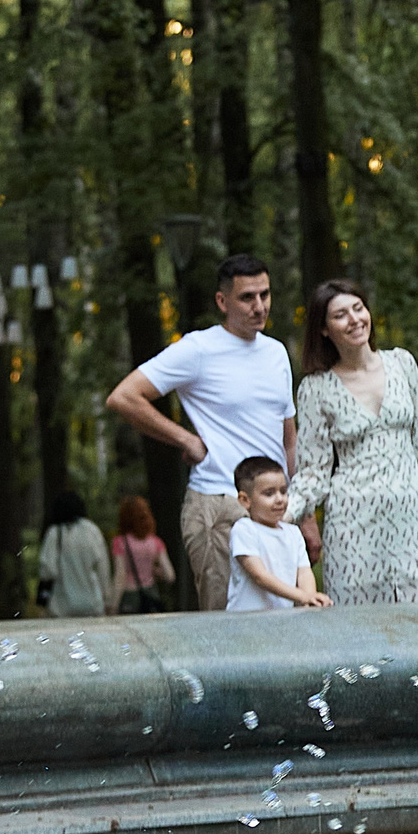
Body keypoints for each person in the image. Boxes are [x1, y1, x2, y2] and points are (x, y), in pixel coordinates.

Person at [103, 253, 299, 612]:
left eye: (265, 295)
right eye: (247, 297)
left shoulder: (276, 352)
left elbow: (288, 438)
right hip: (219, 500)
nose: (259, 306)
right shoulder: (199, 349)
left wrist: (302, 513)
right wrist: (186, 439)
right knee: (228, 625)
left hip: (275, 506)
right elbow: (124, 397)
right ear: (222, 301)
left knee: (284, 618)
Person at [289, 279, 418, 605]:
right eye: (340, 315)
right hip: (351, 526)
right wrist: (279, 514)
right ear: (323, 329)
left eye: (358, 308)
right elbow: (312, 472)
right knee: (356, 635)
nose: (354, 319)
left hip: (409, 521)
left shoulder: (402, 363)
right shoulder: (315, 389)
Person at [228, 456, 330, 612]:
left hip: (281, 619)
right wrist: (302, 596)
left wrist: (311, 598)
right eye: (269, 493)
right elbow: (259, 576)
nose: (280, 499)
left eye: (283, 491)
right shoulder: (244, 529)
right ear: (245, 500)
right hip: (246, 623)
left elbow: (303, 572)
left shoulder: (293, 532)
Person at [37, 489, 113, 615]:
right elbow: (103, 568)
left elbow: (47, 571)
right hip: (92, 604)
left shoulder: (54, 533)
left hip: (62, 606)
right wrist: (107, 598)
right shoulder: (91, 530)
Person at [109, 495, 176, 614]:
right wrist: (154, 571)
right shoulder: (156, 542)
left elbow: (120, 575)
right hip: (151, 594)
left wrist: (113, 605)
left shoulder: (120, 542)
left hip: (129, 596)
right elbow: (170, 576)